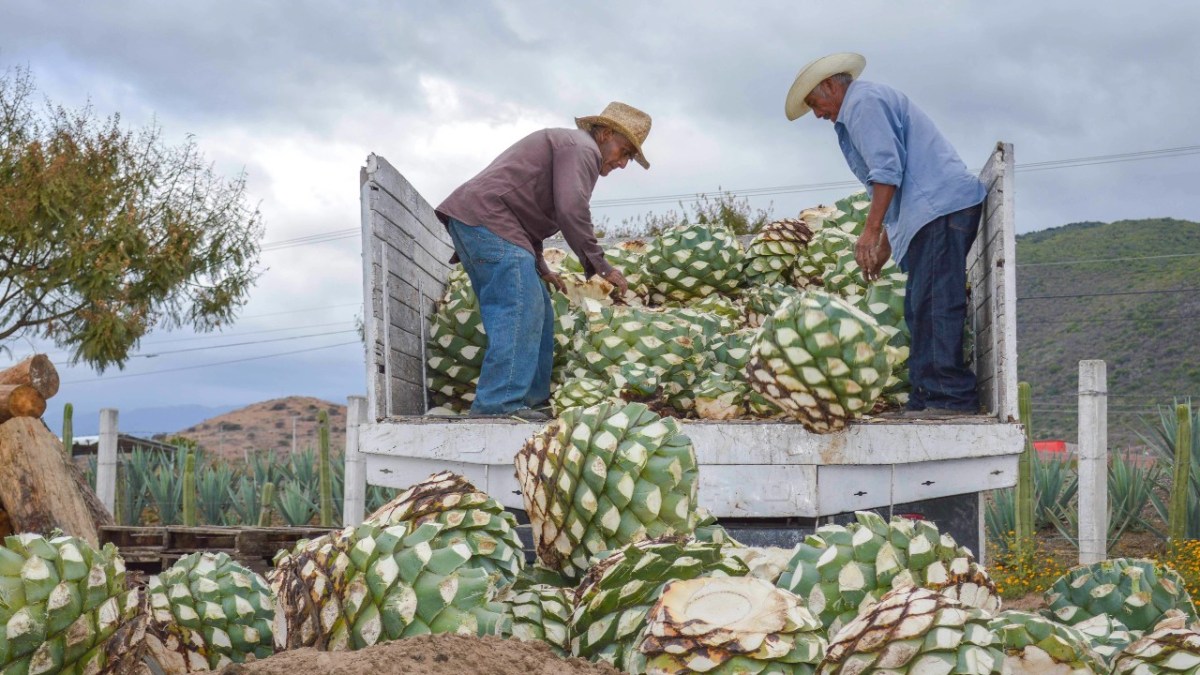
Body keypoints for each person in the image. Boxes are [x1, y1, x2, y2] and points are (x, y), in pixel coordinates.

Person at [785, 53, 986, 417]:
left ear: (830, 85)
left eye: (815, 103)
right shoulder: (861, 105)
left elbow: (887, 171)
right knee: (919, 306)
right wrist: (884, 243)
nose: (817, 114)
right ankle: (928, 396)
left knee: (936, 303)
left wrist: (870, 232)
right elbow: (901, 184)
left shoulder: (863, 103)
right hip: (930, 212)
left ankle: (950, 399)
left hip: (941, 208)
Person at [435, 102, 650, 420]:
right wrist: (602, 266)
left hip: (488, 223)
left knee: (538, 310)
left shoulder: (571, 148)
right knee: (518, 308)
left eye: (630, 156)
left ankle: (531, 404)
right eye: (625, 151)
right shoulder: (582, 149)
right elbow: (570, 209)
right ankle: (498, 405)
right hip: (488, 221)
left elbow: (527, 215)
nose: (623, 163)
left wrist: (541, 267)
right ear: (605, 134)